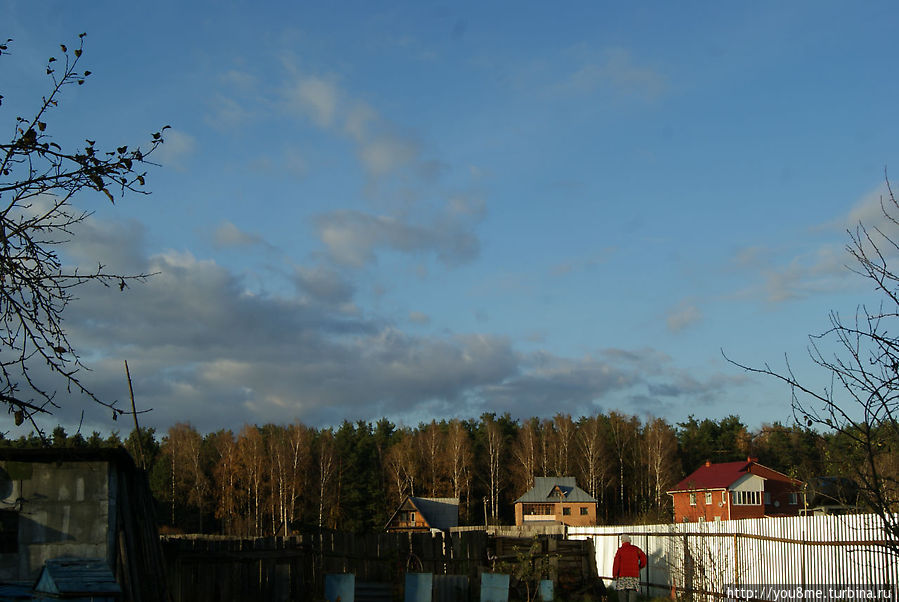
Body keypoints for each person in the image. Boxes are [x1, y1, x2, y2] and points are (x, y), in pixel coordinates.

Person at [612, 534, 647, 602]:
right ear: (629, 541)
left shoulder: (620, 550)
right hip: (633, 577)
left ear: (622, 541)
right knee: (632, 594)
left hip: (622, 577)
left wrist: (615, 574)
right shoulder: (636, 549)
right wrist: (640, 566)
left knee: (622, 595)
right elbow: (644, 559)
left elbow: (616, 563)